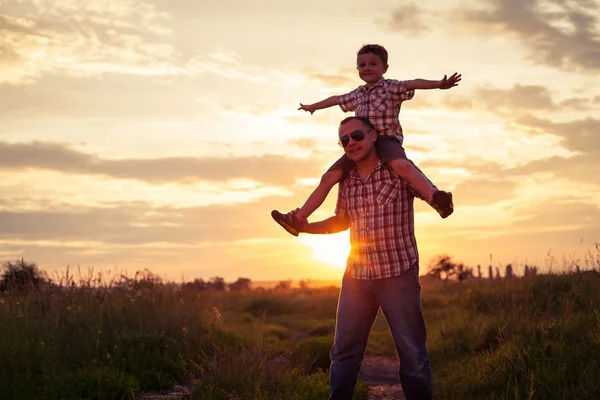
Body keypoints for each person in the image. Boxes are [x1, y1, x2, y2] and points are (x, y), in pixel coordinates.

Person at [293, 116, 434, 400]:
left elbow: (430, 193)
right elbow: (341, 221)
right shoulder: (347, 181)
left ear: (373, 135)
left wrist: (441, 199)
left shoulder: (398, 171)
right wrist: (305, 226)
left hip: (398, 274)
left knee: (413, 355)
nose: (351, 143)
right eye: (344, 140)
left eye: (356, 135)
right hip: (357, 276)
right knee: (343, 353)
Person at [272, 44, 461, 236]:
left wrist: (438, 84)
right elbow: (336, 99)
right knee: (329, 177)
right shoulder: (357, 94)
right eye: (362, 65)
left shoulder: (391, 87)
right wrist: (313, 106)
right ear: (357, 70)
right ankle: (298, 218)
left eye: (372, 64)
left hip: (386, 140)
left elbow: (413, 83)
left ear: (385, 68)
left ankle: (437, 198)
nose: (367, 68)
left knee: (402, 166)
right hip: (361, 146)